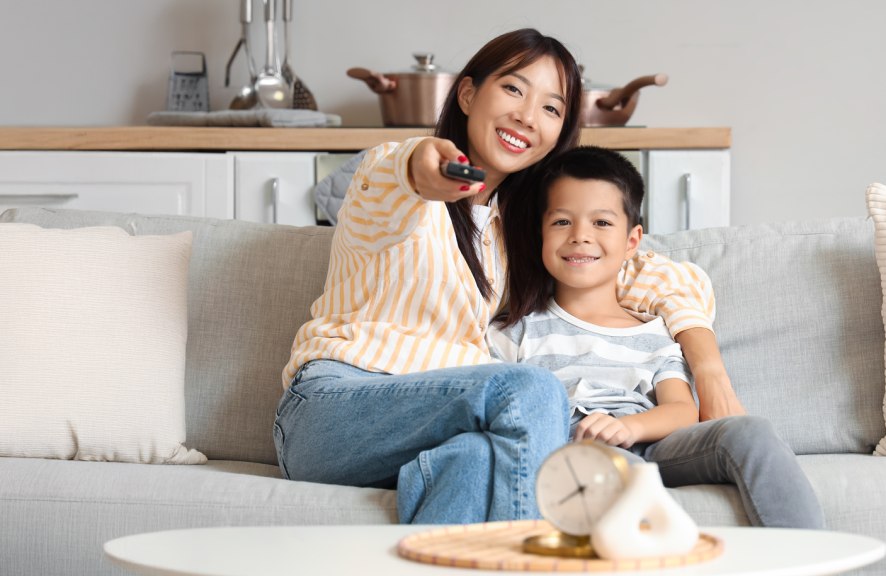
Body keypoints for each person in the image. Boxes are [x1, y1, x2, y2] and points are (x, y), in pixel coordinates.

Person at [273, 28, 745, 526]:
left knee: (478, 461)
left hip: (443, 427)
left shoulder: (523, 234)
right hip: (332, 412)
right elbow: (396, 176)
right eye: (514, 90)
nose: (526, 115)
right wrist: (421, 168)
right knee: (535, 392)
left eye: (551, 108)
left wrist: (708, 368)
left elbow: (654, 273)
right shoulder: (396, 185)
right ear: (469, 93)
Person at [489, 146, 825, 528]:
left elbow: (683, 410)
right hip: (576, 447)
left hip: (655, 441)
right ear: (540, 234)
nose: (580, 237)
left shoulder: (654, 331)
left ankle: (810, 554)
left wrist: (630, 428)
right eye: (562, 222)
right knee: (615, 467)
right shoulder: (517, 331)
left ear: (632, 241)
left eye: (601, 223)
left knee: (752, 432)